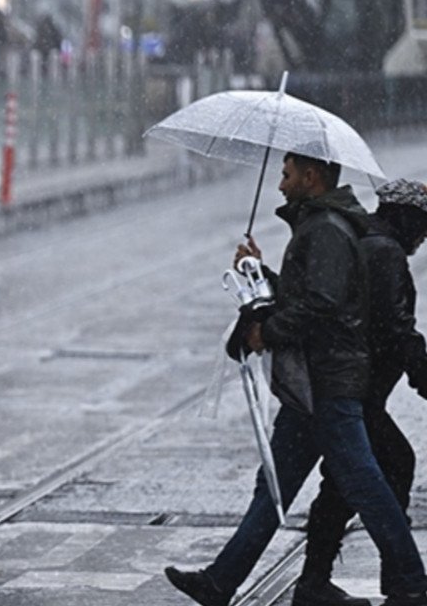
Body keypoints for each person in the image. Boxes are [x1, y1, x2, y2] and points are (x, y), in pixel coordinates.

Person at [164, 153, 427, 606]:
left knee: (362, 479)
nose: (281, 185)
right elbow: (313, 295)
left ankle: (406, 580)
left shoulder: (327, 228)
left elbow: (324, 302)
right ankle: (222, 581)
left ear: (311, 176)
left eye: (286, 176)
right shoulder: (328, 227)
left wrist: (269, 329)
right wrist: (259, 275)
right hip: (318, 381)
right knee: (287, 484)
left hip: (326, 379)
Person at [293, 178, 427, 606]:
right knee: (391, 464)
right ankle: (403, 581)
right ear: (405, 217)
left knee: (342, 481)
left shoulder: (365, 240)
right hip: (356, 389)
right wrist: (423, 374)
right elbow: (395, 327)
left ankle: (315, 583)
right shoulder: (385, 252)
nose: (424, 236)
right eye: (423, 225)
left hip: (348, 386)